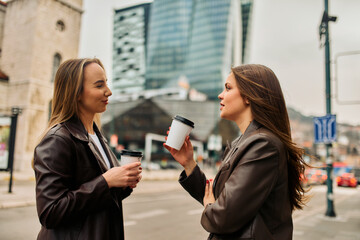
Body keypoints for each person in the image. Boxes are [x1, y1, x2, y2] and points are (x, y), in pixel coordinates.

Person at [164, 64, 309, 239]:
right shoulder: (243, 143)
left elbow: (222, 216)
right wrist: (189, 163)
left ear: (248, 97)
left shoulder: (263, 145)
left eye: (228, 88)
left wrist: (211, 208)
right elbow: (220, 198)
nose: (220, 95)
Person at [33, 58, 142, 239]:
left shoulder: (96, 136)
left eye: (106, 83)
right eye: (99, 85)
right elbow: (50, 212)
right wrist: (105, 182)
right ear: (76, 93)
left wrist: (123, 184)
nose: (109, 91)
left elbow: (99, 200)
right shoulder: (57, 140)